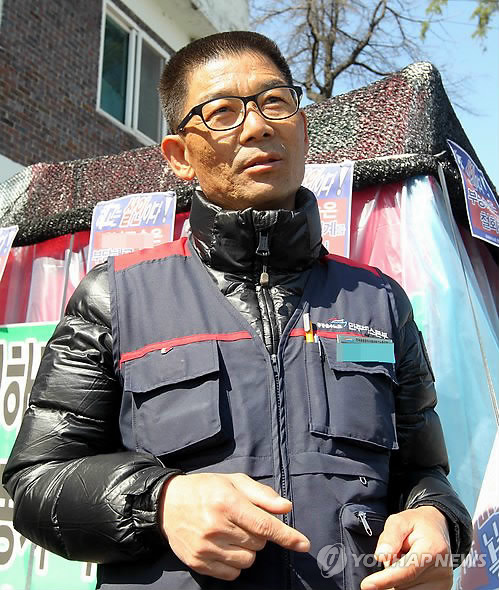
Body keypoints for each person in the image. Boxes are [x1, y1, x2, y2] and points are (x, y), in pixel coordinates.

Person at [3, 31, 471, 590]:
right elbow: (37, 480)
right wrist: (159, 501)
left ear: (302, 127)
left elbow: (424, 473)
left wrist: (438, 522)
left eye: (275, 101)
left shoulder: (380, 301)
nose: (257, 126)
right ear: (180, 156)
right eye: (222, 112)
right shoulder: (115, 296)